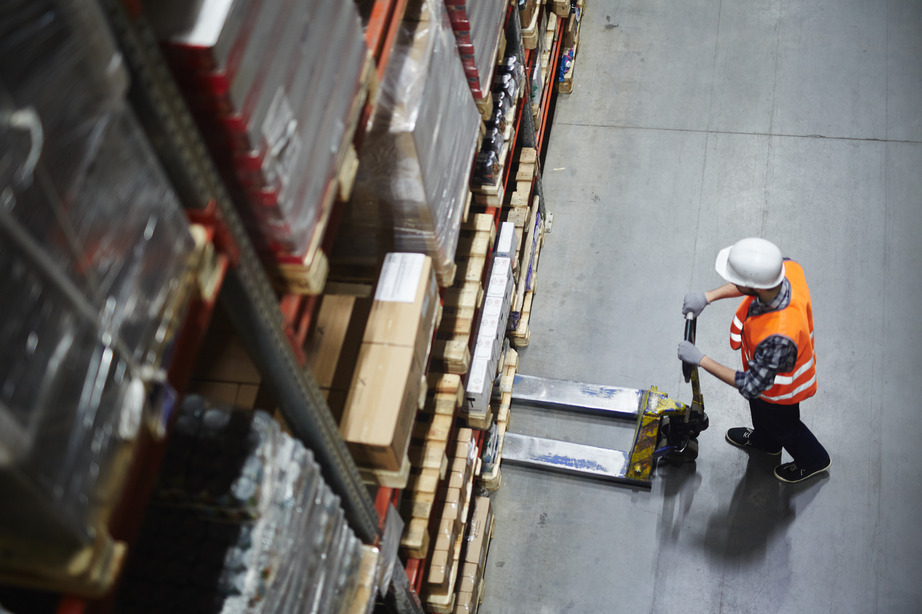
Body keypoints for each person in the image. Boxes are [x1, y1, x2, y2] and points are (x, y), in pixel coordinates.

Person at [677, 238, 831, 483]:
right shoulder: (787, 268)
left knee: (785, 427)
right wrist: (708, 297)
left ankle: (814, 460)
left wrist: (701, 359)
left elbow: (751, 385)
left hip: (780, 391)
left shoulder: (780, 334)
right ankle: (766, 442)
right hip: (764, 375)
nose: (734, 284)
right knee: (760, 413)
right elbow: (750, 284)